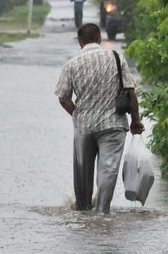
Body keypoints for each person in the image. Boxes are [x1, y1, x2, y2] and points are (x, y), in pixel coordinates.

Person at [55, 23, 144, 213]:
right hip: (113, 125)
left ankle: (83, 210)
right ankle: (102, 212)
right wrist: (136, 120)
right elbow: (131, 92)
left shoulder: (72, 64)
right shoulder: (116, 58)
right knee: (108, 170)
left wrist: (78, 115)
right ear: (99, 39)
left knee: (82, 173)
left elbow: (63, 98)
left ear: (80, 42)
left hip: (84, 127)